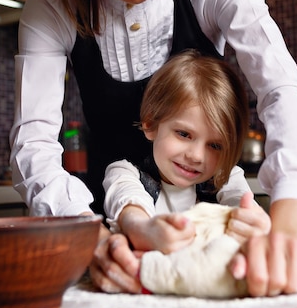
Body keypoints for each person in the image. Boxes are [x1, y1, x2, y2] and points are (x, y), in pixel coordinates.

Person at [10, 0, 297, 297]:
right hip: (104, 231)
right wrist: (91, 239)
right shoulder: (51, 8)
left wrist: (289, 230)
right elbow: (32, 142)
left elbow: (283, 90)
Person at [103, 51, 271, 254]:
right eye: (184, 134)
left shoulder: (226, 180)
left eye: (215, 146)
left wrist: (254, 223)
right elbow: (130, 210)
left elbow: (242, 206)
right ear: (151, 124)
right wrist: (145, 230)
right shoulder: (123, 173)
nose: (197, 156)